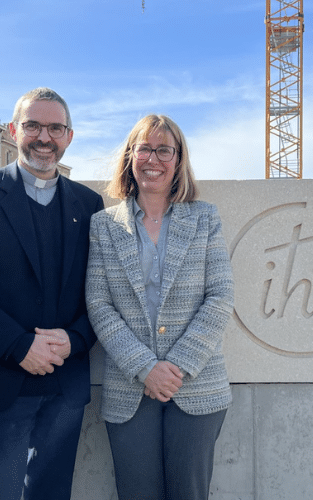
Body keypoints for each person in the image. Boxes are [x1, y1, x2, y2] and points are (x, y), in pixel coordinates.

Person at [0, 87, 104, 500]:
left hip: (64, 387)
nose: (43, 137)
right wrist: (19, 346)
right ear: (14, 131)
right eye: (33, 125)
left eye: (54, 128)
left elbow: (102, 293)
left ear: (69, 136)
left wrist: (75, 339)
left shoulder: (89, 205)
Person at [86, 114, 234, 500]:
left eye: (164, 150)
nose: (154, 159)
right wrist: (145, 368)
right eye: (144, 148)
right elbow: (99, 304)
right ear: (130, 156)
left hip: (197, 386)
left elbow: (220, 296)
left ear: (178, 159)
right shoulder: (103, 225)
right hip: (128, 388)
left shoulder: (205, 219)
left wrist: (176, 366)